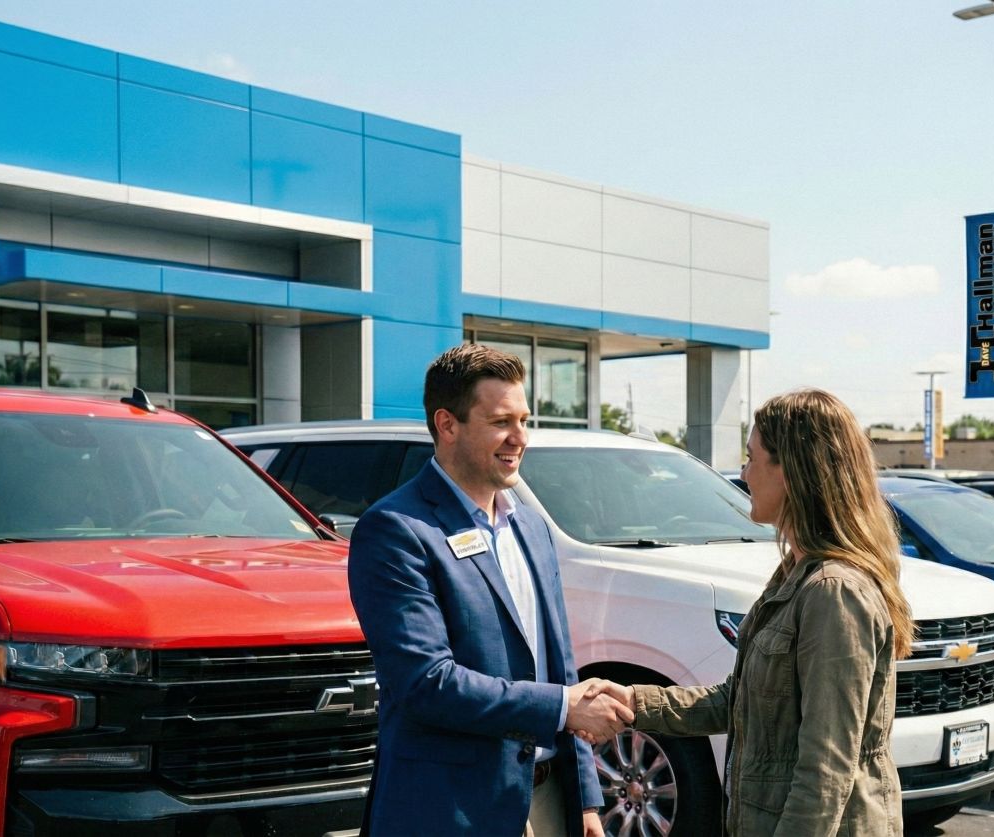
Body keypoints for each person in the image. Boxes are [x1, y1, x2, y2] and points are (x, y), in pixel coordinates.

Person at [594, 388, 914, 835]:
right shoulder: (796, 573)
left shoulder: (834, 592)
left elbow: (826, 770)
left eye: (751, 458)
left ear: (793, 472)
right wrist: (632, 701)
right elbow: (736, 701)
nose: (743, 474)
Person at [348, 344, 631, 836]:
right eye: (501, 422)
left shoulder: (533, 528)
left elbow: (557, 663)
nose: (519, 438)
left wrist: (585, 798)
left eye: (525, 420)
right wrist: (563, 707)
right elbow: (425, 683)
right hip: (451, 810)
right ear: (447, 424)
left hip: (546, 799)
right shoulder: (395, 530)